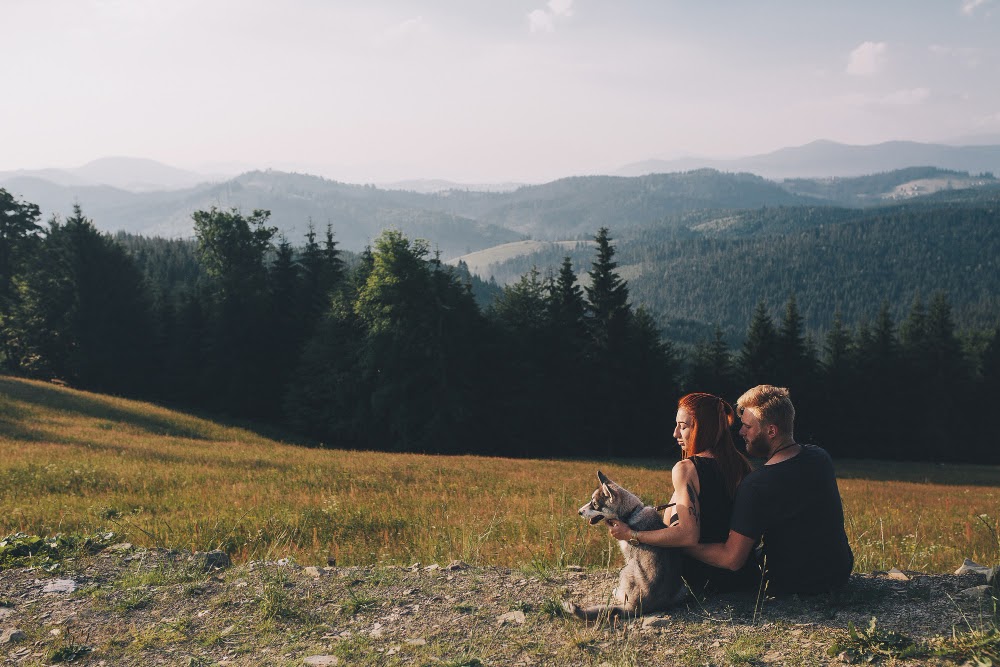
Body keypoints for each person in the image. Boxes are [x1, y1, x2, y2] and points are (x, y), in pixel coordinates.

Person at [686, 385, 854, 595]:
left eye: (748, 426)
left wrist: (686, 545)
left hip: (792, 584)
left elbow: (732, 559)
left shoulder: (757, 485)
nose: (741, 432)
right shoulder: (820, 457)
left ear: (771, 431)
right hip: (839, 572)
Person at [608, 392, 759, 594]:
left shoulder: (687, 469)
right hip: (742, 578)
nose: (675, 434)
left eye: (683, 426)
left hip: (700, 580)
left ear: (703, 429)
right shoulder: (743, 466)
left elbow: (688, 536)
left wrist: (632, 534)